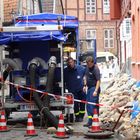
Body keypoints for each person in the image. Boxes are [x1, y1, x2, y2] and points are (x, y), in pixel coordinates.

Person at [64, 57, 86, 122]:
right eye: (68, 63)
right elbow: (63, 80)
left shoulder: (81, 68)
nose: (70, 64)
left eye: (71, 62)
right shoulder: (65, 71)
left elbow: (86, 76)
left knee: (82, 103)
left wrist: (85, 85)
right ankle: (77, 116)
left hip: (81, 90)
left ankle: (81, 116)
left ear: (74, 62)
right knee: (75, 104)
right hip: (72, 91)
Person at [83, 56, 101, 127]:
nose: (89, 65)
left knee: (93, 105)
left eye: (90, 64)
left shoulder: (96, 69)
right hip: (89, 88)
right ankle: (90, 121)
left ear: (92, 63)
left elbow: (98, 81)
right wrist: (84, 85)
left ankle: (95, 121)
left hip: (94, 88)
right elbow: (85, 77)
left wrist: (96, 91)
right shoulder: (87, 68)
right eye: (87, 64)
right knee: (88, 105)